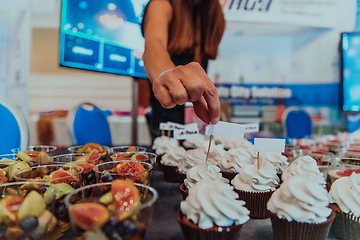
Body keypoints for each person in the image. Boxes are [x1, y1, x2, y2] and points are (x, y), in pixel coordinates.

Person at [142, 0, 225, 141]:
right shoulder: (162, 4)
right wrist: (166, 76)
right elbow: (154, 43)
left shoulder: (211, 10)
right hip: (166, 125)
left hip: (196, 124)